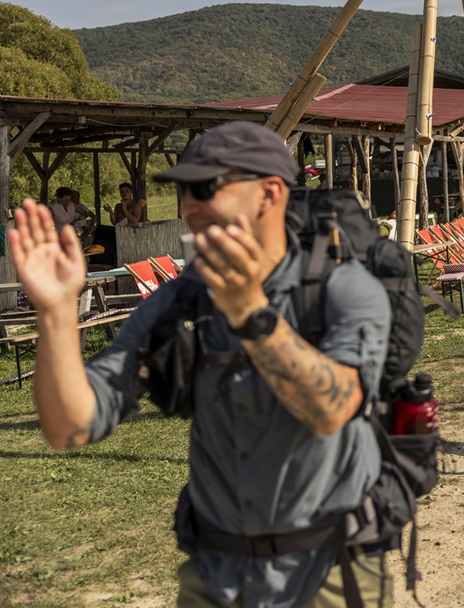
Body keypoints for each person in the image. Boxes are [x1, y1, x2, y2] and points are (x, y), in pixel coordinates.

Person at [9, 121, 394, 607]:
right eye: (185, 191)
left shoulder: (343, 289)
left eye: (207, 188)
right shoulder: (180, 301)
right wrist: (56, 312)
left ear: (270, 194)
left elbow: (333, 410)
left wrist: (252, 316)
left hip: (331, 573)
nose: (189, 207)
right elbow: (69, 426)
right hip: (215, 576)